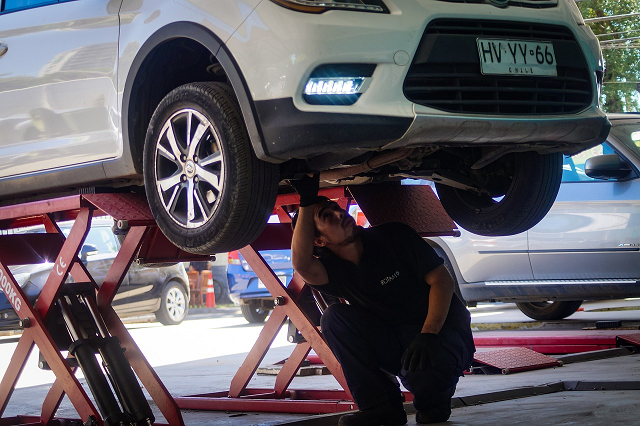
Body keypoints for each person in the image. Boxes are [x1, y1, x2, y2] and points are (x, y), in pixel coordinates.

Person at [289, 175, 475, 426]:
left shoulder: (393, 235)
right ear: (319, 241)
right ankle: (382, 408)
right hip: (396, 340)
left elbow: (442, 281)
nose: (338, 214)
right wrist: (307, 202)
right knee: (334, 318)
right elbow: (301, 263)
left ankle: (435, 401)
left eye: (336, 208)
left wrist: (429, 334)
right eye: (326, 216)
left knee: (424, 378)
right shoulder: (333, 271)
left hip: (441, 331)